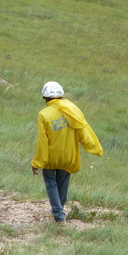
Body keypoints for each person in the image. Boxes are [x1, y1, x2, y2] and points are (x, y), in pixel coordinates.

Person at [31, 81, 103, 225]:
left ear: (45, 97)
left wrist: (37, 162)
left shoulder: (44, 114)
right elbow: (84, 130)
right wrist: (95, 148)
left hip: (51, 157)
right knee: (63, 183)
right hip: (69, 156)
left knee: (51, 183)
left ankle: (59, 216)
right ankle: (58, 211)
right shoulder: (73, 110)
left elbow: (42, 142)